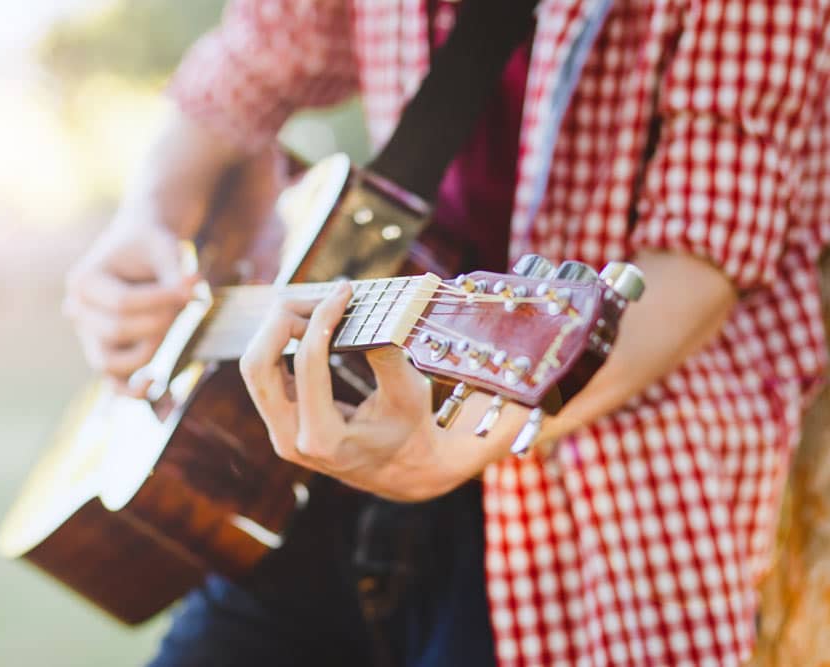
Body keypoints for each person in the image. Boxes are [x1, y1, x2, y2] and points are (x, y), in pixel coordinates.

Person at [65, 1, 830, 665]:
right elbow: (242, 71)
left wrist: (477, 435)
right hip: (323, 471)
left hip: (584, 497)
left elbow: (700, 258)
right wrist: (148, 220)